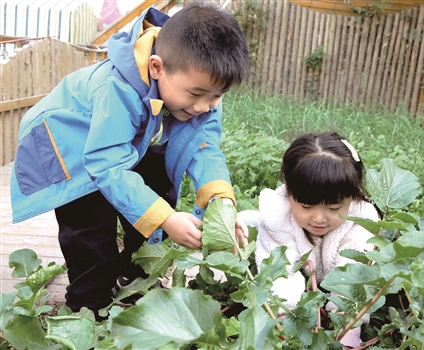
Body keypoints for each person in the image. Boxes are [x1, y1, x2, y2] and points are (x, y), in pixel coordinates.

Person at [10, 3, 249, 320]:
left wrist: (221, 201)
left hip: (121, 145)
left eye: (218, 95)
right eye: (197, 94)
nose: (206, 106)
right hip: (69, 147)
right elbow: (106, 165)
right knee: (91, 230)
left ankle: (137, 277)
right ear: (157, 67)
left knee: (158, 185)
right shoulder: (117, 87)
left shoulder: (198, 93)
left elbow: (204, 147)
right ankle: (86, 308)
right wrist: (165, 219)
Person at [238, 132, 380, 349]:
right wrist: (287, 324)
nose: (319, 218)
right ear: (289, 193)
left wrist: (347, 332)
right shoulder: (278, 217)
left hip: (334, 273)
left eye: (333, 208)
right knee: (246, 226)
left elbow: (354, 278)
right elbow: (279, 274)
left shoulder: (361, 220)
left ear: (354, 196)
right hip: (270, 237)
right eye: (306, 206)